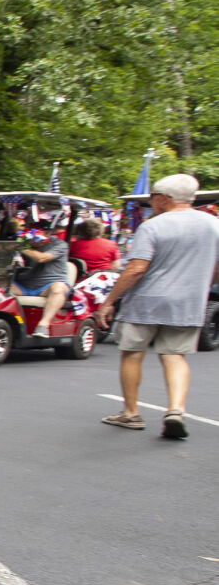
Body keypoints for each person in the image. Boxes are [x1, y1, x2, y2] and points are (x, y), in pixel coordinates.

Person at [94, 173, 219, 439]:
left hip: (146, 301)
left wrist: (109, 301)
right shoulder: (213, 225)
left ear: (164, 198)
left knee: (132, 352)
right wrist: (201, 284)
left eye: (152, 197)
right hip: (188, 302)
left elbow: (137, 268)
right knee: (175, 356)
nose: (151, 202)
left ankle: (130, 413)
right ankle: (175, 409)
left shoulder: (153, 226)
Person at [5, 212, 71, 333]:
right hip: (24, 284)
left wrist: (22, 247)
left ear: (46, 234)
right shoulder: (22, 242)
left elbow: (41, 258)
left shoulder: (60, 245)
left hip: (47, 285)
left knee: (59, 288)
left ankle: (43, 325)